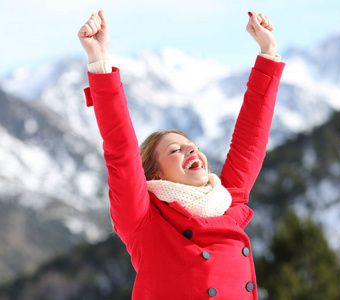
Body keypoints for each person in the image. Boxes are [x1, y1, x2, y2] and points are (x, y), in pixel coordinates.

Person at [78, 10, 285, 299]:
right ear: (154, 174)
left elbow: (251, 139)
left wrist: (268, 52)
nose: (191, 149)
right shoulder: (144, 222)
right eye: (175, 149)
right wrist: (99, 62)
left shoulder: (226, 202)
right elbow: (121, 152)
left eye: (192, 145)